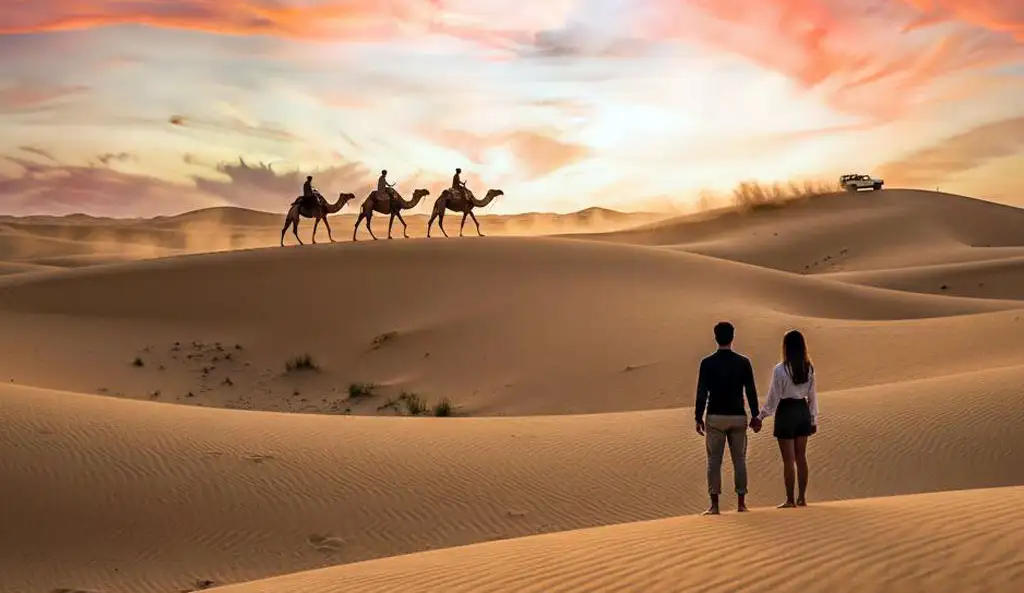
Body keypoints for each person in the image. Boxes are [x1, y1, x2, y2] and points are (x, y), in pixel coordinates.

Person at [694, 321, 760, 515]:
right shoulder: (743, 362)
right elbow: (751, 391)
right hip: (738, 416)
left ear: (716, 337)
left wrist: (698, 417)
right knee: (739, 460)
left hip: (715, 417)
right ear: (733, 337)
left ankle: (715, 506)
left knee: (714, 461)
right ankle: (741, 503)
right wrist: (755, 415)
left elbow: (701, 393)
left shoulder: (707, 363)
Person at [754, 329, 818, 508]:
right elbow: (813, 396)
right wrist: (813, 419)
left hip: (786, 412)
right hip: (802, 411)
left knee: (789, 460)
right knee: (801, 458)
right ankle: (802, 498)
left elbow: (773, 398)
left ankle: (790, 500)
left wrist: (760, 416)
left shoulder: (780, 369)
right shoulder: (809, 368)